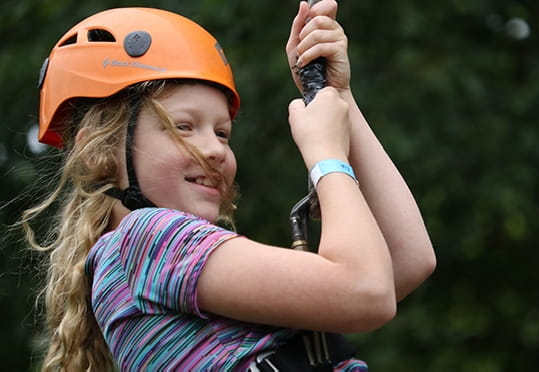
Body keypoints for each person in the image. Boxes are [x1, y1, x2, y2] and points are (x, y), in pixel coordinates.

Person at [21, 1, 435, 370]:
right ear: (100, 150)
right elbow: (366, 291)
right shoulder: (146, 239)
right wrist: (326, 155)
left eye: (222, 133)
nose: (215, 149)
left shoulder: (158, 263)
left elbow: (408, 261)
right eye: (182, 127)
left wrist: (338, 98)